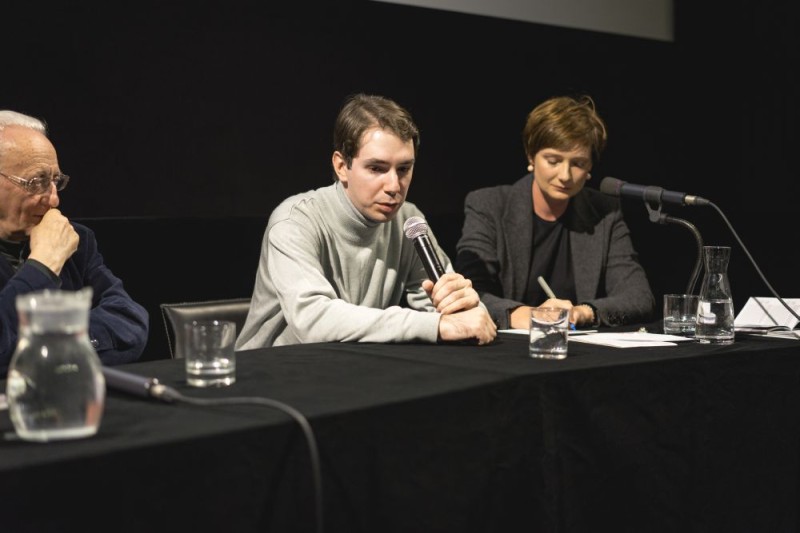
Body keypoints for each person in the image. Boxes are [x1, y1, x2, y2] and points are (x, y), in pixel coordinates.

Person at [236, 93, 497, 349]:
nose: (394, 186)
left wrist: (468, 306)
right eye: (376, 168)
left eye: (404, 169)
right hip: (272, 374)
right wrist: (435, 326)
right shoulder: (294, 221)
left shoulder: (409, 219)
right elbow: (312, 319)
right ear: (341, 166)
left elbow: (455, 314)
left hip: (351, 370)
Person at [455, 95, 655, 330]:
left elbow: (639, 296)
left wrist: (582, 312)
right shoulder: (488, 205)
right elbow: (470, 293)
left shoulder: (604, 212)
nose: (565, 175)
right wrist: (528, 315)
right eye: (553, 160)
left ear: (590, 167)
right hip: (506, 350)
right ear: (531, 156)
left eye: (578, 164)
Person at [0, 110, 149, 371]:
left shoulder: (74, 239)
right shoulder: (55, 247)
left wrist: (44, 350)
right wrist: (44, 264)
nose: (54, 199)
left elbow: (131, 321)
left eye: (55, 181)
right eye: (37, 182)